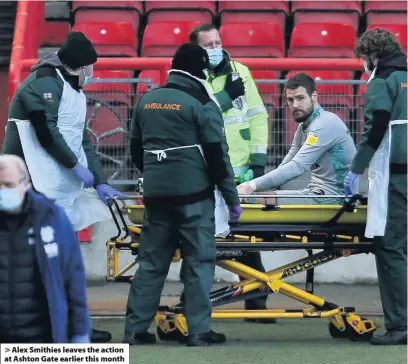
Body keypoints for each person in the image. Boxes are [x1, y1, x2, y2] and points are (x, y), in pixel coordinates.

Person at [1, 31, 123, 343]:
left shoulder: (72, 91)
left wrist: (100, 180)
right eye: (89, 67)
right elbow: (45, 131)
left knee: (61, 260)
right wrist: (74, 166)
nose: (91, 74)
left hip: (54, 188)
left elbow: (82, 141)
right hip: (28, 183)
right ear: (79, 66)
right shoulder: (44, 82)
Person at [124, 42, 242, 346]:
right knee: (199, 263)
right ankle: (198, 331)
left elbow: (136, 151)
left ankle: (135, 331)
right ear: (201, 69)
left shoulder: (146, 101)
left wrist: (157, 177)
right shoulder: (202, 104)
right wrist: (231, 199)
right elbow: (218, 158)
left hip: (155, 198)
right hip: (194, 198)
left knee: (150, 264)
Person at [188, 23, 273, 322]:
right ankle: (195, 302)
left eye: (217, 42)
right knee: (203, 241)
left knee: (247, 242)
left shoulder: (241, 71)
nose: (215, 49)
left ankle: (257, 302)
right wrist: (225, 96)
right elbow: (199, 115)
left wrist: (259, 162)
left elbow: (257, 115)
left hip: (241, 175)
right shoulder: (194, 77)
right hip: (206, 174)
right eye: (208, 45)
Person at [343, 28, 407, 346]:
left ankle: (400, 325)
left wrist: (355, 170)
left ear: (370, 56)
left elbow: (376, 127)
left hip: (398, 176)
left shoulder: (383, 81)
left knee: (391, 248)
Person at [0, 155, 91, 343]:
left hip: (40, 338)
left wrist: (80, 330)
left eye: (8, 185)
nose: (2, 191)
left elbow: (73, 276)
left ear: (25, 185)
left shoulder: (51, 216)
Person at [238, 72, 357, 205]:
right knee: (254, 196)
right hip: (319, 193)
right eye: (290, 100)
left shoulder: (324, 124)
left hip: (338, 198)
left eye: (300, 98)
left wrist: (252, 185)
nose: (294, 105)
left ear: (314, 97)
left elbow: (297, 167)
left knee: (249, 199)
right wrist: (254, 187)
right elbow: (286, 165)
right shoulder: (303, 128)